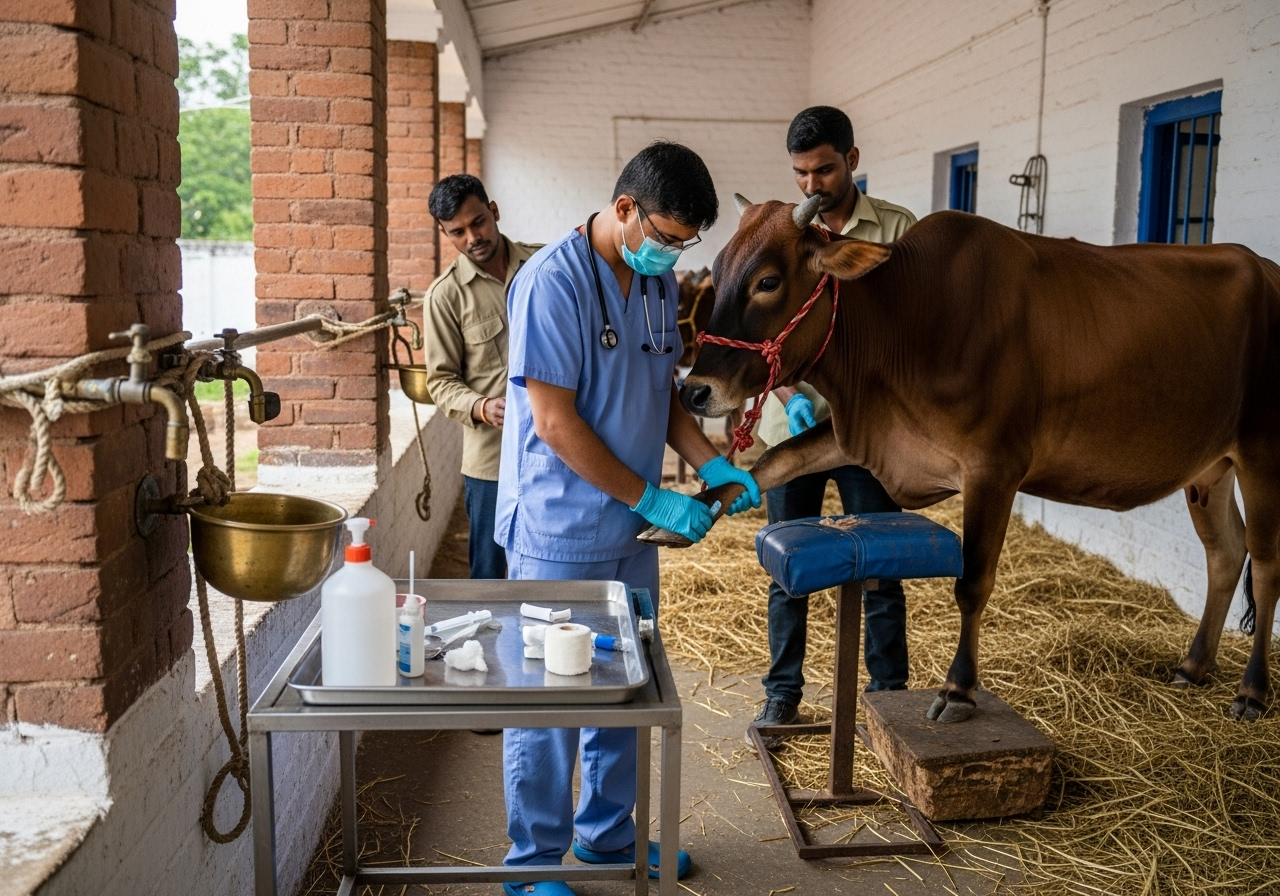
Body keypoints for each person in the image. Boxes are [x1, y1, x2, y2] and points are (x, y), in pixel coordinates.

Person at [495, 142, 760, 896]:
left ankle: (607, 838)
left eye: (685, 243)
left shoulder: (656, 281)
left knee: (623, 688)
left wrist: (707, 464)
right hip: (559, 529)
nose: (674, 254)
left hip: (629, 536)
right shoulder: (553, 283)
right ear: (624, 210)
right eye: (668, 237)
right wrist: (650, 496)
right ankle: (531, 866)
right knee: (548, 699)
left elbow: (661, 390)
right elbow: (552, 420)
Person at [747, 106, 919, 748]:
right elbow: (763, 330)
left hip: (866, 434)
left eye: (824, 168)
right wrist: (789, 391)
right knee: (787, 563)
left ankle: (888, 696)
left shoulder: (899, 230)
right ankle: (782, 694)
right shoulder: (783, 232)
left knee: (880, 565)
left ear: (852, 156)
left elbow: (911, 339)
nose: (813, 185)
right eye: (800, 173)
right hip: (791, 431)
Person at [423, 174, 541, 580]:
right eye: (457, 232)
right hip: (491, 462)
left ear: (494, 211)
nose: (472, 237)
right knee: (490, 576)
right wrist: (480, 406)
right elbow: (439, 381)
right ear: (445, 233)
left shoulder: (545, 265)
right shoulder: (445, 296)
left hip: (557, 452)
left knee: (554, 563)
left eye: (478, 222)